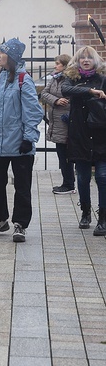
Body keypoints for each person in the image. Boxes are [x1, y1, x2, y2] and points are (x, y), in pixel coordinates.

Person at [0, 39, 43, 243]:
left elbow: (33, 112)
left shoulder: (23, 80)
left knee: (22, 186)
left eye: (1, 52)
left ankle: (20, 224)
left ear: (12, 56)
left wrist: (29, 138)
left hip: (19, 145)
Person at [61, 46, 106, 233]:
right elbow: (66, 90)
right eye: (82, 58)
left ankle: (103, 217)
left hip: (101, 135)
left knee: (103, 177)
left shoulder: (103, 80)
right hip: (79, 135)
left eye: (89, 57)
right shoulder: (72, 79)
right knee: (83, 178)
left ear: (95, 61)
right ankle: (85, 211)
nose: (86, 60)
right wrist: (90, 92)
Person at [40, 54, 76, 195]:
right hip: (56, 122)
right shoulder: (55, 79)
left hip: (66, 122)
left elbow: (73, 97)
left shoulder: (71, 80)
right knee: (61, 153)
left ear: (65, 66)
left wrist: (63, 101)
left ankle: (69, 184)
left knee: (66, 154)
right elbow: (44, 93)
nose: (55, 66)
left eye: (58, 64)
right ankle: (66, 182)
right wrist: (56, 100)